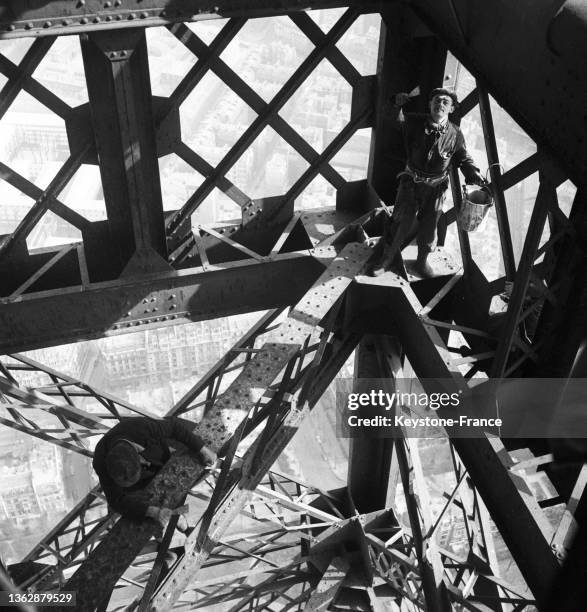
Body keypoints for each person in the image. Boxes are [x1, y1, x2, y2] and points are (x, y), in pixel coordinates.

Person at [376, 88, 486, 277]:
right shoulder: (413, 122)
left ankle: (421, 262)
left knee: (429, 227)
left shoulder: (455, 134)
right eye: (436, 100)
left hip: (436, 188)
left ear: (451, 109)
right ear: (429, 104)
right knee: (401, 222)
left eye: (445, 102)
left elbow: (463, 158)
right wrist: (395, 103)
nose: (440, 105)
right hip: (411, 183)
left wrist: (474, 174)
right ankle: (387, 259)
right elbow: (392, 122)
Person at [93, 416, 216, 527]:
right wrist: (153, 512)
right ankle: (172, 518)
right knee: (152, 506)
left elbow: (174, 427)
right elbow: (116, 501)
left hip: (159, 454)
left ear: (138, 455)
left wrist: (202, 449)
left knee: (205, 444)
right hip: (144, 483)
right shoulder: (100, 463)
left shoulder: (139, 428)